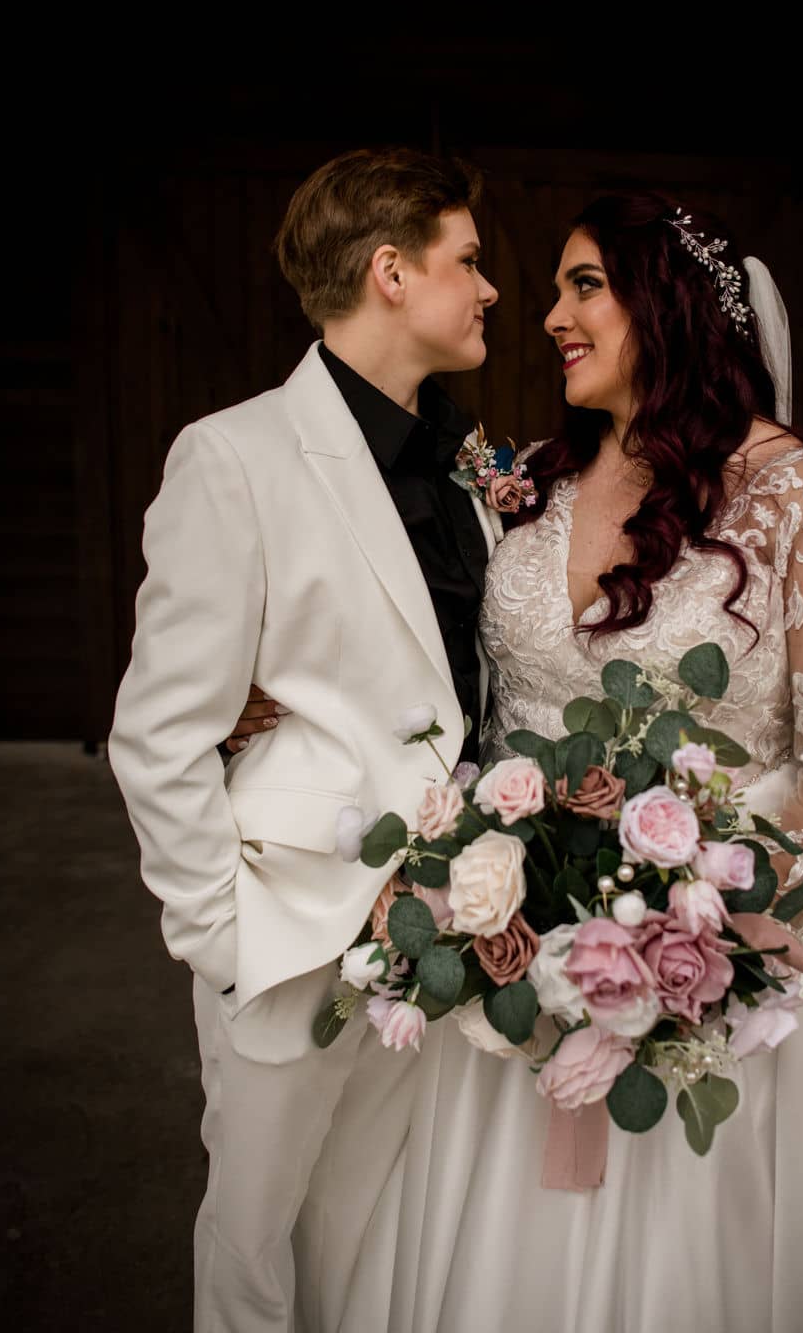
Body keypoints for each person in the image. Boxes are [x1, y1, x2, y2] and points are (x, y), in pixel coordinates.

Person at [245, 190, 803, 1331]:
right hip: (519, 933)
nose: (548, 312)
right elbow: (444, 665)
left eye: (582, 285)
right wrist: (289, 700)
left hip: (738, 939)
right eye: (555, 287)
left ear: (671, 307)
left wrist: (683, 941)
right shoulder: (536, 486)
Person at [108, 148, 502, 1333]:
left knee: (371, 1233)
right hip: (290, 934)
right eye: (469, 261)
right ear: (391, 271)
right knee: (253, 1247)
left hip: (439, 935)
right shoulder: (233, 457)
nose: (491, 291)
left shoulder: (470, 465)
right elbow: (158, 733)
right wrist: (222, 937)